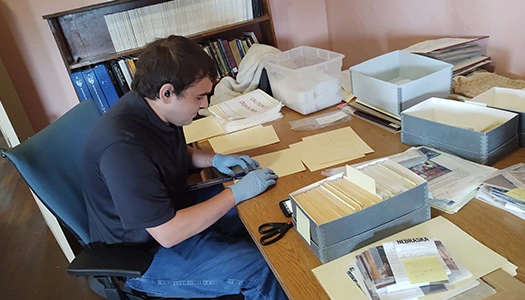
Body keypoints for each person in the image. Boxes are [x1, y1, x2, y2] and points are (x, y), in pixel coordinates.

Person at [82, 35, 287, 299]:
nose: (205, 105)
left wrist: (213, 159)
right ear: (167, 93)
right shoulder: (122, 149)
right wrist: (234, 193)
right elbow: (168, 233)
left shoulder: (149, 107)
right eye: (199, 97)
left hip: (170, 208)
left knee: (264, 204)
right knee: (264, 269)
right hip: (145, 253)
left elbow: (168, 153)